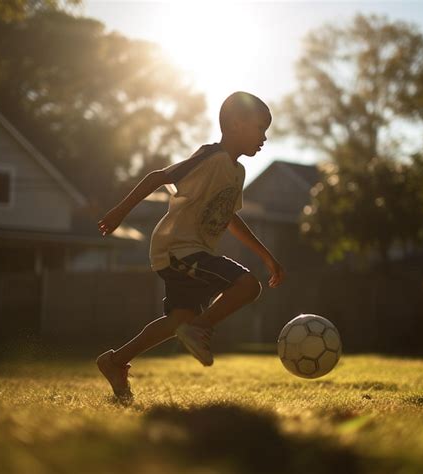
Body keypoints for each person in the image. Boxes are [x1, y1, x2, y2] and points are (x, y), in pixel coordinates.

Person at [96, 91, 285, 398]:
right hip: (177, 249)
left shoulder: (237, 172)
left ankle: (115, 361)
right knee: (248, 285)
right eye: (261, 127)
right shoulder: (210, 157)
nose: (264, 137)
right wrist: (119, 212)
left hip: (191, 252)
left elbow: (230, 219)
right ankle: (199, 328)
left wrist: (267, 256)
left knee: (179, 319)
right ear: (237, 124)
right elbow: (158, 177)